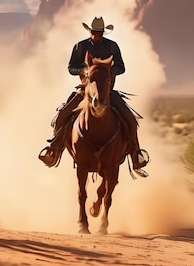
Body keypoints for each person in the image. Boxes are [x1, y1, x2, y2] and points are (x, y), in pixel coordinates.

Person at [38, 16, 150, 178]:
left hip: (106, 92)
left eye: (99, 32)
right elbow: (71, 68)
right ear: (90, 31)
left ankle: (136, 154)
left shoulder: (112, 47)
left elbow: (121, 66)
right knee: (62, 116)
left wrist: (108, 71)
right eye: (94, 32)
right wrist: (85, 71)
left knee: (130, 120)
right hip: (84, 91)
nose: (96, 35)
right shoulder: (80, 47)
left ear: (102, 33)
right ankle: (54, 149)